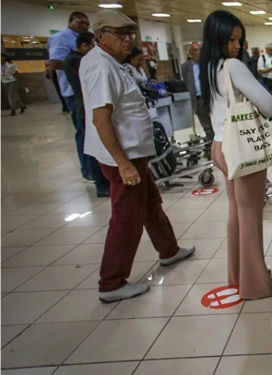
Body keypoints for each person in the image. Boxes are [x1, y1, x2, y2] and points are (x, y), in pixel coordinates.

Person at [81, 9, 196, 303]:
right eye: (120, 34)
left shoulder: (113, 63)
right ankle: (111, 283)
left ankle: (169, 251)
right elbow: (101, 119)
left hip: (135, 154)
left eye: (130, 34)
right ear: (100, 36)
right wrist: (123, 164)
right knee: (126, 218)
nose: (127, 39)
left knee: (150, 204)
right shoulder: (100, 67)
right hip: (124, 157)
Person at [200, 10, 272, 300]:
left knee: (236, 213)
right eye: (231, 39)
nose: (237, 45)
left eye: (239, 39)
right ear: (218, 39)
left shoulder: (207, 66)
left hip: (220, 145)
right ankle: (258, 285)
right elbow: (267, 105)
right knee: (251, 214)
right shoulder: (232, 66)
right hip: (241, 145)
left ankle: (238, 276)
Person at [64, 31, 110, 198]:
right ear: (83, 46)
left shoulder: (80, 60)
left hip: (87, 106)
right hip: (84, 108)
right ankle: (100, 184)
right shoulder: (77, 60)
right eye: (93, 45)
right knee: (92, 147)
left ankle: (102, 181)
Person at [48, 11, 91, 182]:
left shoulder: (83, 38)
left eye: (87, 24)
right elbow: (55, 62)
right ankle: (87, 170)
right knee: (83, 131)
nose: (84, 27)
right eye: (81, 23)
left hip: (86, 91)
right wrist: (82, 61)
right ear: (71, 21)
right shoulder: (61, 38)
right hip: (74, 93)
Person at [180, 41, 214, 148]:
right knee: (207, 127)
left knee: (217, 124)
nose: (198, 52)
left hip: (211, 98)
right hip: (198, 100)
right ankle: (211, 148)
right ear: (190, 52)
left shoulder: (208, 64)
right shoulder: (185, 67)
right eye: (195, 50)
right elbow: (187, 82)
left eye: (200, 49)